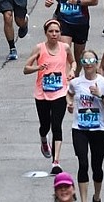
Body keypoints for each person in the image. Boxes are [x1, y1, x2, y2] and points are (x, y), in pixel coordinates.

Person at [24, 18, 76, 175]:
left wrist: (72, 70)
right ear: (46, 33)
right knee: (45, 126)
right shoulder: (39, 48)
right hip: (42, 93)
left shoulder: (65, 47)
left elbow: (73, 62)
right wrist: (38, 68)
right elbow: (26, 69)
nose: (54, 34)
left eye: (57, 31)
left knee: (57, 126)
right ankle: (43, 139)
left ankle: (56, 162)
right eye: (51, 31)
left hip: (60, 92)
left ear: (60, 33)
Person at [67, 49, 104, 202]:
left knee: (97, 166)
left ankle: (97, 196)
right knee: (83, 163)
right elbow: (69, 93)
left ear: (96, 63)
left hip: (98, 129)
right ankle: (84, 199)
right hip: (79, 129)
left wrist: (100, 95)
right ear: (81, 63)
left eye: (91, 61)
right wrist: (69, 103)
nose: (88, 64)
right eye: (85, 61)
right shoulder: (76, 82)